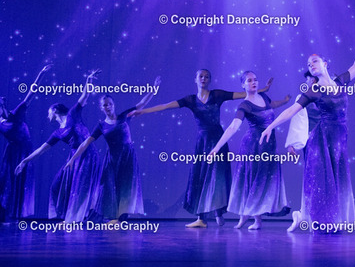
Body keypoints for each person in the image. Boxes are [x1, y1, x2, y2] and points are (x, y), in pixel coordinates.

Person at [260, 36, 355, 232]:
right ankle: (320, 220)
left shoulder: (340, 81)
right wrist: (270, 126)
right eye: (309, 64)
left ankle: (327, 219)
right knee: (322, 181)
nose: (311, 65)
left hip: (339, 139)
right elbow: (291, 111)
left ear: (325, 63)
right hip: (321, 139)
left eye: (314, 61)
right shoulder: (313, 91)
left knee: (337, 180)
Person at [128, 69, 273, 228]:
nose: (204, 79)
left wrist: (263, 89)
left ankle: (218, 212)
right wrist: (143, 111)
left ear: (209, 80)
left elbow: (243, 94)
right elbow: (165, 106)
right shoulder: (190, 100)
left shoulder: (217, 95)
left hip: (218, 139)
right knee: (201, 177)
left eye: (207, 77)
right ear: (195, 79)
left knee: (217, 177)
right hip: (202, 143)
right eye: (201, 76)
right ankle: (201, 218)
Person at [66, 76, 161, 223]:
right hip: (112, 159)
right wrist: (73, 159)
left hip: (127, 157)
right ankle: (112, 216)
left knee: (125, 186)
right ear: (101, 108)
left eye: (110, 104)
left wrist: (154, 88)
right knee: (109, 186)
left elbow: (141, 104)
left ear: (113, 105)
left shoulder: (124, 116)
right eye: (105, 105)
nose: (108, 107)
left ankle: (121, 216)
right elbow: (85, 143)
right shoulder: (101, 126)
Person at [15, 70, 101, 222]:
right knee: (57, 185)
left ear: (54, 110)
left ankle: (86, 216)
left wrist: (89, 80)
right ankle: (65, 216)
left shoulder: (73, 114)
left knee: (82, 187)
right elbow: (40, 150)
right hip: (74, 158)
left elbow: (85, 95)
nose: (47, 115)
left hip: (88, 154)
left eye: (49, 112)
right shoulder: (57, 133)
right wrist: (24, 161)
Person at [209, 71, 291, 230]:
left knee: (264, 180)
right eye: (249, 80)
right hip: (253, 147)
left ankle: (253, 217)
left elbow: (273, 105)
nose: (253, 82)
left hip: (269, 146)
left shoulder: (264, 97)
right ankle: (248, 217)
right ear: (243, 85)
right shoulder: (244, 105)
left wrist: (285, 101)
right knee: (252, 180)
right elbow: (233, 127)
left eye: (255, 79)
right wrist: (217, 147)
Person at [0, 64, 51, 222]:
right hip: (11, 155)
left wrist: (41, 74)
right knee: (6, 183)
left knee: (21, 182)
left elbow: (30, 94)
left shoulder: (15, 114)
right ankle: (4, 216)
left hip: (23, 153)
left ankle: (15, 216)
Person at [283, 71, 319, 232]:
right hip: (311, 141)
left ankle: (314, 216)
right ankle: (306, 215)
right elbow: (296, 119)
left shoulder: (328, 95)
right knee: (312, 176)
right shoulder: (304, 98)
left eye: (311, 79)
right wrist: (292, 144)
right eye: (308, 80)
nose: (310, 82)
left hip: (327, 140)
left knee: (325, 178)